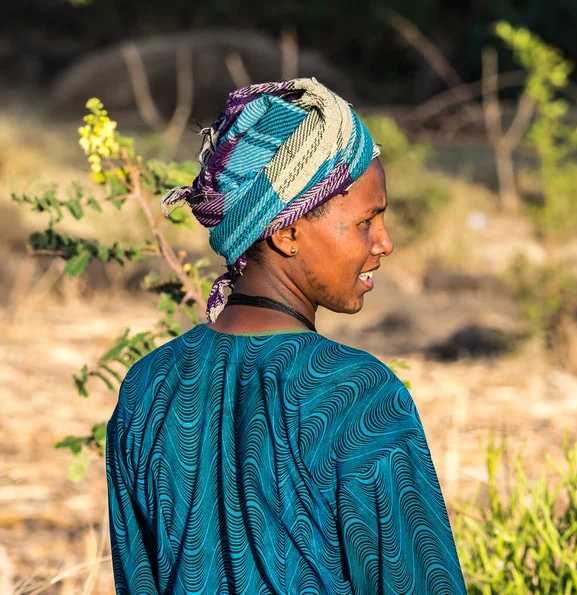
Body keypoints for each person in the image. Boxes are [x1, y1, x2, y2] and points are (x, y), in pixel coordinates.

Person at [105, 78, 467, 594]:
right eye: (367, 220)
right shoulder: (357, 394)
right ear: (286, 232)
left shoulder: (146, 388)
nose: (385, 242)